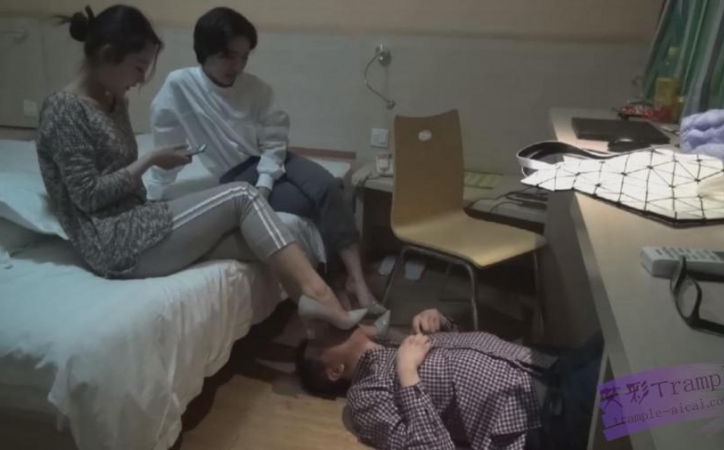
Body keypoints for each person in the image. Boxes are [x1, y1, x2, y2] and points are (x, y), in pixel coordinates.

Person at [36, 4, 365, 329]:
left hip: (141, 220)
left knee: (273, 239)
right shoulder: (65, 110)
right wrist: (150, 160)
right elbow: (88, 196)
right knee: (242, 195)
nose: (142, 79)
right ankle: (324, 300)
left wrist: (152, 189)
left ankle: (325, 331)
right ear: (108, 55)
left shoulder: (113, 100)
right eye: (138, 68)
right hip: (113, 243)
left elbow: (275, 135)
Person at [147, 7, 384, 314]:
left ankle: (357, 282)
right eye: (228, 56)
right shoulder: (180, 86)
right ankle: (337, 282)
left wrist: (266, 182)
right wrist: (154, 193)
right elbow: (168, 144)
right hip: (236, 172)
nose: (237, 66)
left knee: (329, 187)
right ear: (205, 50)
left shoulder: (256, 89)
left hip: (274, 158)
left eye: (244, 57)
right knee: (309, 204)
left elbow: (274, 139)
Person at [296, 309, 603, 450]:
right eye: (323, 339)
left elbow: (458, 370)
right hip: (544, 417)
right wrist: (407, 374)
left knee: (623, 335)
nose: (328, 326)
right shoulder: (364, 398)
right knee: (635, 392)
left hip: (550, 367)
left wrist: (443, 325)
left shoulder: (392, 342)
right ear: (334, 371)